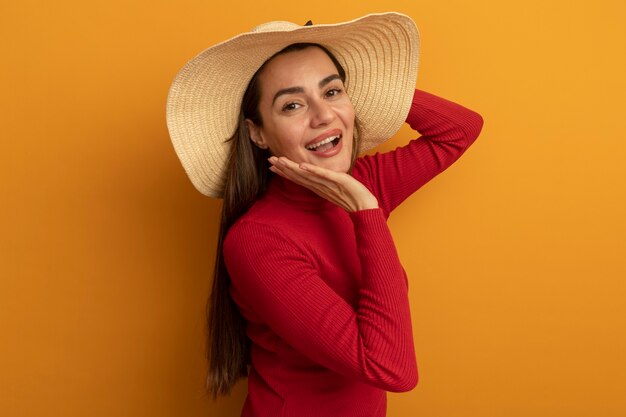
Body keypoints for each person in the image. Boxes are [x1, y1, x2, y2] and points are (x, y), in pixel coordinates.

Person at [166, 12, 483, 417]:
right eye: (293, 104)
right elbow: (390, 368)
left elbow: (461, 129)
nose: (323, 116)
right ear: (257, 133)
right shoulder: (258, 240)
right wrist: (366, 210)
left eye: (332, 92)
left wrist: (369, 85)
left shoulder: (363, 178)